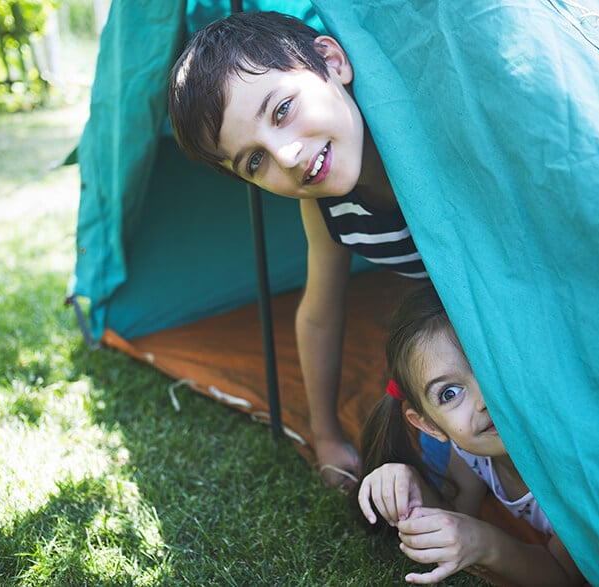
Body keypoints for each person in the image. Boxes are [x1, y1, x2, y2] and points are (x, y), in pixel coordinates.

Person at [168, 11, 428, 491]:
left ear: (331, 61)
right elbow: (319, 315)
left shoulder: (427, 141)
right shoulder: (325, 207)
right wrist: (325, 435)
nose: (286, 157)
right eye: (255, 159)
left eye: (282, 110)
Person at [357, 284, 585, 585]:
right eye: (449, 393)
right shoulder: (471, 454)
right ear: (430, 426)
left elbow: (564, 577)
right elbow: (456, 515)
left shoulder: (577, 466)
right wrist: (410, 490)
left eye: (491, 366)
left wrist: (484, 543)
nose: (483, 400)